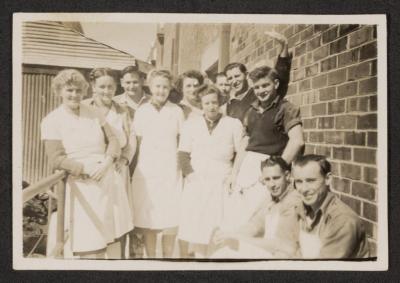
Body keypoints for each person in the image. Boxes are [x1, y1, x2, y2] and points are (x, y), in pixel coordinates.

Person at [41, 69, 130, 259]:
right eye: (69, 90)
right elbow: (56, 158)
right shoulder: (52, 120)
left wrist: (107, 161)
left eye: (78, 90)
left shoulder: (94, 112)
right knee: (89, 240)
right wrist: (84, 169)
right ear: (59, 91)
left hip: (107, 178)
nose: (74, 95)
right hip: (81, 184)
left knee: (113, 239)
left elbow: (113, 140)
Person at [222, 64, 304, 231]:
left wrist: (275, 170)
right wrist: (234, 173)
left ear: (275, 84)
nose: (261, 91)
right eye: (257, 87)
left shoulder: (286, 108)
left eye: (265, 85)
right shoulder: (251, 110)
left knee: (261, 219)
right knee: (237, 216)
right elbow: (246, 143)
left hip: (269, 167)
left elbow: (297, 141)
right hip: (246, 166)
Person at [177, 84, 244, 258]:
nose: (211, 106)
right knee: (198, 229)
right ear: (201, 104)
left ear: (220, 102)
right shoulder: (191, 125)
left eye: (214, 102)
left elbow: (240, 153)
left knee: (219, 227)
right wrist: (191, 176)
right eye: (207, 103)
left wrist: (233, 175)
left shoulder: (233, 124)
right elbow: (183, 154)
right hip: (197, 180)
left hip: (223, 180)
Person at [83, 67, 137, 259]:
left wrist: (124, 159)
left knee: (117, 221)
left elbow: (131, 140)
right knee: (94, 219)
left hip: (117, 170)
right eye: (102, 87)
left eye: (110, 87)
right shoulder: (83, 107)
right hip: (92, 173)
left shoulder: (123, 111)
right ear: (93, 86)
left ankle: (116, 264)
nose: (106, 91)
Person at [131, 69, 184, 258]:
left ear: (170, 89)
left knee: (169, 217)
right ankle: (151, 259)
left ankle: (168, 259)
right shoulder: (142, 111)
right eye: (158, 86)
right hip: (148, 170)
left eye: (165, 87)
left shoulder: (176, 111)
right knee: (149, 218)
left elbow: (182, 142)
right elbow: (135, 144)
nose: (161, 91)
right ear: (150, 87)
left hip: (170, 169)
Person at [210, 156, 302, 258]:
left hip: (284, 259)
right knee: (223, 252)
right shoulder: (271, 198)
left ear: (287, 176)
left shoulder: (293, 201)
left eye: (276, 178)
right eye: (267, 179)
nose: (272, 184)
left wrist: (235, 237)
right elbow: (255, 225)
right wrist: (228, 235)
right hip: (268, 252)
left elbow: (279, 244)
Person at [290, 154, 370, 259]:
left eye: (311, 181)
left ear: (328, 179)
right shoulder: (300, 209)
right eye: (299, 182)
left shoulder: (342, 220)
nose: (304, 189)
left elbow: (324, 268)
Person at [224, 32, 291, 124]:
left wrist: (284, 46)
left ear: (246, 75)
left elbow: (281, 78)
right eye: (230, 78)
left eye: (237, 76)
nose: (234, 81)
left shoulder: (258, 93)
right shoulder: (230, 104)